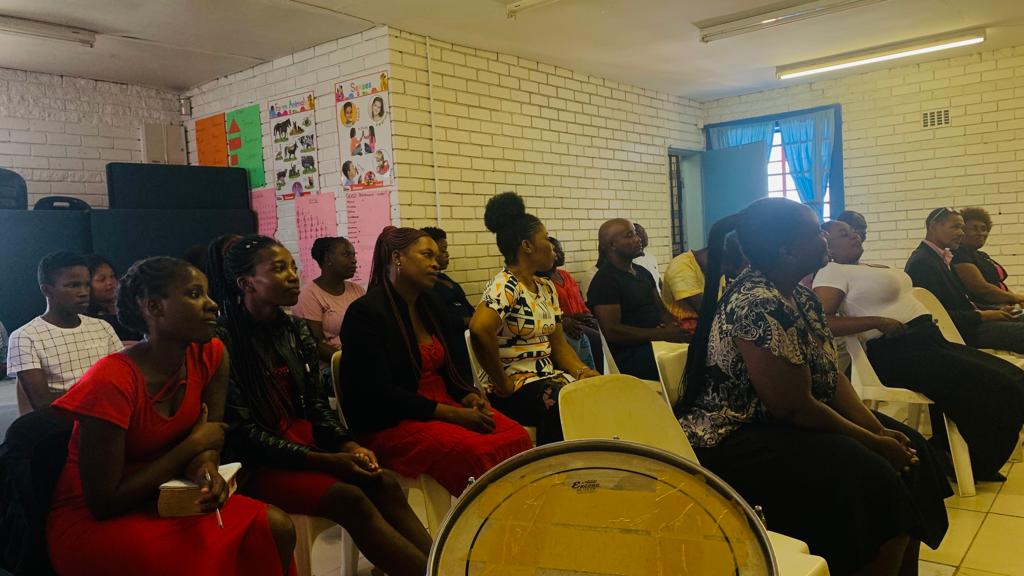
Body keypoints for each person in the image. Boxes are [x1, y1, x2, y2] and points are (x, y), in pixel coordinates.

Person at [677, 198, 950, 576]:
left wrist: (877, 429)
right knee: (875, 476)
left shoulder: (801, 297)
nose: (824, 236)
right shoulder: (757, 302)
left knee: (912, 449)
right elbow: (792, 407)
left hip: (787, 420)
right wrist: (874, 444)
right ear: (786, 250)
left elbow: (828, 376)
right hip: (738, 435)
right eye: (814, 231)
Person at [46, 256, 297, 575]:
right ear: (153, 307)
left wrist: (206, 471)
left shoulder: (211, 354)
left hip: (168, 494)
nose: (211, 304)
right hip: (99, 517)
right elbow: (104, 503)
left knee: (273, 526)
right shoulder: (111, 381)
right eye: (194, 294)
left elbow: (208, 440)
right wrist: (192, 447)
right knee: (188, 562)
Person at [209, 235, 431, 576]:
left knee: (383, 481)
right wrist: (329, 460)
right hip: (257, 463)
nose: (293, 276)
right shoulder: (221, 340)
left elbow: (316, 406)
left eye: (293, 267)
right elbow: (244, 434)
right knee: (350, 498)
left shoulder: (296, 330)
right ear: (246, 283)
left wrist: (348, 445)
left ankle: (441, 565)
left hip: (303, 444)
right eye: (279, 268)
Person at [815, 219, 1024, 480]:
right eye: (843, 234)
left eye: (853, 231)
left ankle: (956, 454)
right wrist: (878, 322)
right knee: (1000, 387)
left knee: (1015, 379)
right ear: (827, 244)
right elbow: (822, 320)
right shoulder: (832, 271)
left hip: (930, 340)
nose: (854, 235)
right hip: (898, 350)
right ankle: (974, 462)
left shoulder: (865, 267)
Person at [339, 227, 532, 496]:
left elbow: (451, 367)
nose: (436, 263)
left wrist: (468, 396)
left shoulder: (430, 304)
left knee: (516, 436)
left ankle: (522, 512)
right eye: (427, 255)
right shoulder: (365, 313)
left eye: (436, 256)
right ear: (397, 258)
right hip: (394, 419)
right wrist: (452, 414)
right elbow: (377, 393)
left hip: (442, 402)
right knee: (477, 451)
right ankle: (484, 519)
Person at [470, 192, 599, 444]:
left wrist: (582, 371)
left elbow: (559, 345)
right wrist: (503, 383)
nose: (552, 246)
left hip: (546, 380)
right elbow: (479, 329)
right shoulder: (506, 286)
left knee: (595, 389)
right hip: (517, 389)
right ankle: (555, 464)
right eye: (545, 238)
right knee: (560, 399)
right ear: (527, 246)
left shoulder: (545, 287)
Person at [7, 252, 122, 411]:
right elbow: (43, 403)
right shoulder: (25, 337)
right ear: (47, 291)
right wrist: (100, 393)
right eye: (74, 285)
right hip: (62, 422)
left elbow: (123, 381)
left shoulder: (102, 327)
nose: (83, 292)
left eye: (87, 285)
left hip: (110, 416)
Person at [905, 207, 1024, 353]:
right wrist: (982, 315)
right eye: (955, 227)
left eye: (961, 228)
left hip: (969, 323)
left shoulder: (939, 258)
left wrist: (995, 310)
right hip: (961, 331)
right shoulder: (922, 262)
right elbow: (935, 316)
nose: (961, 233)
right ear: (933, 226)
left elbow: (962, 302)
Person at [588, 219, 688, 380]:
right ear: (612, 245)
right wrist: (661, 334)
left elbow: (661, 310)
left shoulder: (642, 272)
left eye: (635, 234)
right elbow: (612, 331)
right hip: (631, 353)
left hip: (657, 342)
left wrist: (674, 328)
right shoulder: (605, 280)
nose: (638, 239)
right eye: (630, 235)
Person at [292, 237, 365, 365]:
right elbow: (315, 345)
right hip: (332, 367)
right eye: (346, 255)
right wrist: (352, 362)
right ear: (328, 258)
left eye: (353, 255)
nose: (354, 260)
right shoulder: (309, 295)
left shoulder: (357, 290)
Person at [661, 234, 746, 330]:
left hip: (706, 330)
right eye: (729, 269)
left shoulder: (714, 269)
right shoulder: (681, 267)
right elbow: (708, 312)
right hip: (683, 334)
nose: (724, 273)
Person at [543, 236, 598, 371]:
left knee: (601, 329)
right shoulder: (543, 281)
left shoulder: (565, 275)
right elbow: (547, 312)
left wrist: (586, 315)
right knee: (596, 339)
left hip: (581, 319)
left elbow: (579, 300)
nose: (561, 254)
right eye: (557, 251)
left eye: (561, 250)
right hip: (567, 323)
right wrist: (571, 318)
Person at [953, 206, 1024, 306]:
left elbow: (997, 284)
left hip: (1002, 307)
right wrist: (1016, 298)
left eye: (984, 229)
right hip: (984, 310)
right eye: (974, 229)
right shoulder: (959, 253)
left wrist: (1016, 299)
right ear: (961, 231)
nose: (980, 233)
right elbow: (981, 289)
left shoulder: (982, 255)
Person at [421, 226, 475, 329]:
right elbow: (437, 319)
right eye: (443, 250)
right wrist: (468, 321)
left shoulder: (443, 277)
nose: (447, 254)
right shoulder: (425, 284)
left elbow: (467, 305)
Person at [84, 254, 142, 342]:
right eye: (102, 279)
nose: (110, 282)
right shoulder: (90, 321)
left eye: (112, 276)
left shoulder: (129, 307)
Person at [632, 222, 662, 290]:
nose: (644, 235)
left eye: (644, 231)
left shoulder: (651, 257)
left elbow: (659, 281)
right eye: (639, 233)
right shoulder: (632, 261)